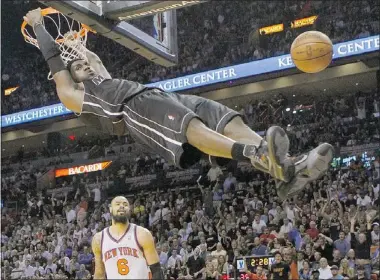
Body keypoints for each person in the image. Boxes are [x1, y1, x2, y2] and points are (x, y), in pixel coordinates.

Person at [24, 8, 334, 200]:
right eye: (77, 68)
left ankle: (287, 166)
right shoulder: (74, 95)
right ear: (69, 77)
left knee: (225, 117)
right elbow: (58, 67)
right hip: (135, 110)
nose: (85, 66)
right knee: (191, 127)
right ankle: (257, 155)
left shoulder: (102, 77)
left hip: (160, 95)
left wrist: (79, 31)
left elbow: (92, 57)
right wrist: (40, 26)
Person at [91, 196, 164, 279]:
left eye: (125, 204)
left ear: (129, 209)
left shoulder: (142, 234)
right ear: (110, 209)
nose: (121, 206)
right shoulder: (99, 238)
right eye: (117, 204)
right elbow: (99, 274)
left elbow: (156, 270)